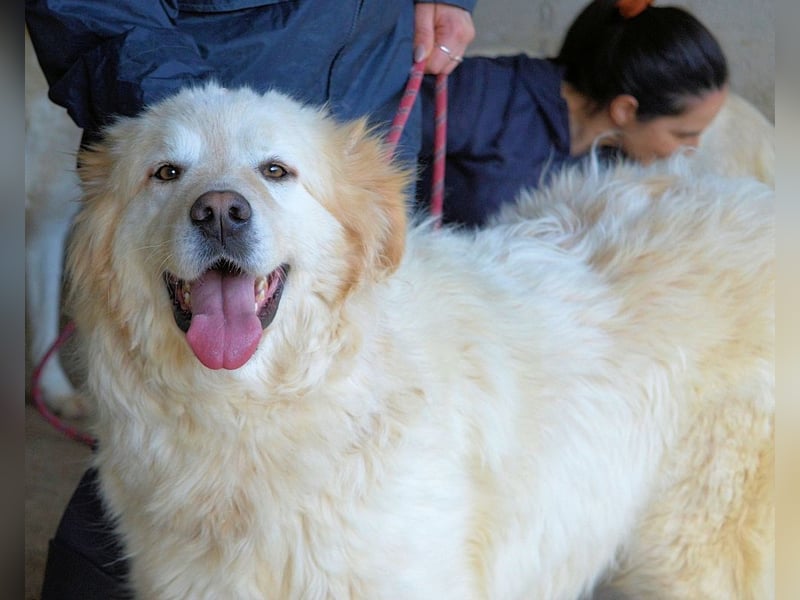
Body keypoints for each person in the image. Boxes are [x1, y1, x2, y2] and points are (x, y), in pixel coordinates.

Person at [24, 2, 477, 598]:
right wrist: (189, 109)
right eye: (167, 172)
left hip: (370, 80)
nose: (222, 204)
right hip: (200, 60)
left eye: (270, 171)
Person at [417, 0, 730, 227]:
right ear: (624, 110)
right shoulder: (485, 95)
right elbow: (374, 155)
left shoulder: (624, 170)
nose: (693, 149)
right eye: (683, 134)